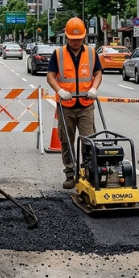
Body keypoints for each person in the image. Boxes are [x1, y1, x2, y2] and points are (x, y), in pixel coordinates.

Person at [46, 17, 103, 189]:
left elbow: (98, 73)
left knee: (88, 140)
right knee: (66, 141)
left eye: (79, 39)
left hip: (86, 105)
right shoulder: (58, 54)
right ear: (67, 37)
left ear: (84, 37)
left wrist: (94, 88)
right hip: (66, 106)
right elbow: (50, 76)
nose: (76, 42)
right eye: (73, 39)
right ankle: (70, 174)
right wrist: (60, 91)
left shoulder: (91, 53)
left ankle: (88, 172)